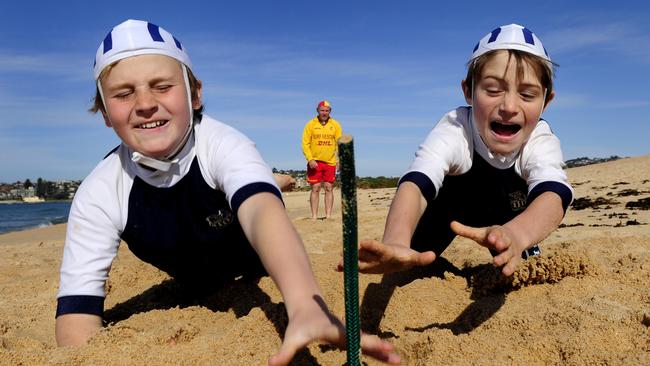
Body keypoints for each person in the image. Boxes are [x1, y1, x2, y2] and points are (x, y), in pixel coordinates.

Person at [55, 20, 400, 366]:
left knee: (256, 193)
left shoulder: (223, 144)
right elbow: (77, 316)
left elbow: (262, 213)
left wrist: (305, 306)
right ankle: (274, 178)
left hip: (247, 257)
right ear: (103, 112)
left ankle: (271, 180)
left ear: (194, 95)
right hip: (192, 275)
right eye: (123, 93)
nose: (145, 103)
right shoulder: (99, 192)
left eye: (162, 86)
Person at [345, 24, 573, 277]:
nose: (509, 106)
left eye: (527, 95)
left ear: (546, 101)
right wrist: (396, 240)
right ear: (468, 91)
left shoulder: (540, 139)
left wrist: (517, 235)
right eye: (493, 90)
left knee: (521, 270)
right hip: (450, 210)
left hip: (509, 216)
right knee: (408, 265)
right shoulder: (455, 128)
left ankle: (518, 245)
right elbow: (416, 183)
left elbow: (553, 195)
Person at [301, 100, 342, 219]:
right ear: (318, 111)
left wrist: (339, 160)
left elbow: (339, 143)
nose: (324, 112)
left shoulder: (335, 124)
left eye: (327, 110)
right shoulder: (310, 124)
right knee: (316, 188)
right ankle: (314, 216)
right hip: (315, 162)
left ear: (330, 111)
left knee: (329, 188)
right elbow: (305, 143)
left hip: (330, 161)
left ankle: (328, 215)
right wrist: (310, 159)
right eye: (322, 110)